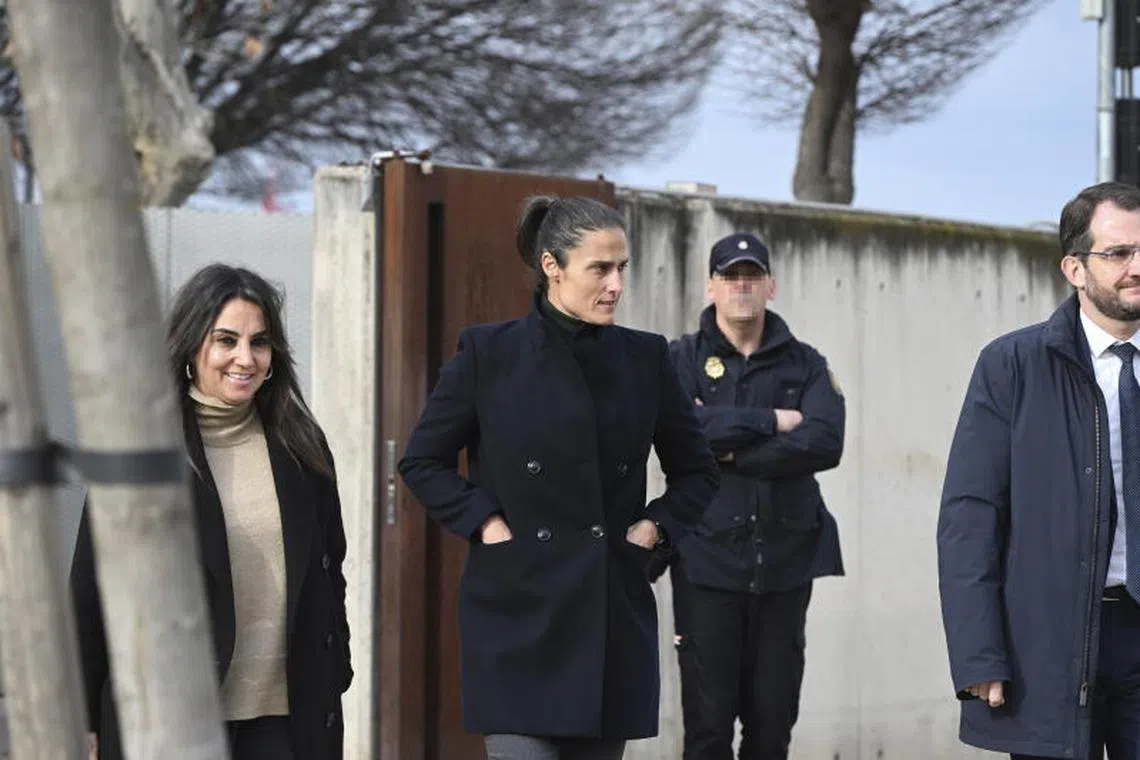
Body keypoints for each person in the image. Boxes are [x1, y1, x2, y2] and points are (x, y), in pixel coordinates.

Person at [397, 195, 719, 760]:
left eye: (622, 267)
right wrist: (488, 525)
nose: (616, 284)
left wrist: (654, 529)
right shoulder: (488, 353)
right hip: (518, 614)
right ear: (552, 266)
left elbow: (696, 471)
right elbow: (423, 460)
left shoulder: (645, 358)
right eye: (600, 268)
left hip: (608, 616)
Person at [70, 264, 352, 760]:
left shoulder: (302, 445)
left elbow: (331, 567)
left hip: (286, 721)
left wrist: (336, 667)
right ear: (191, 345)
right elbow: (92, 591)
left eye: (259, 342)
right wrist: (83, 717)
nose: (245, 358)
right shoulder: (142, 451)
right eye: (226, 340)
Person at [938, 181, 1140, 760]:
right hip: (1047, 643)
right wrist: (980, 654)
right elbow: (970, 517)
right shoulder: (1012, 366)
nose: (1135, 266)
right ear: (1074, 269)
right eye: (1117, 253)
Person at [665, 232, 845, 760]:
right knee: (708, 730)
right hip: (706, 565)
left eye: (751, 276)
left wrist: (728, 451)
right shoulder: (681, 359)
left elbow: (824, 442)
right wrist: (770, 421)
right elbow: (679, 434)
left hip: (785, 567)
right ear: (710, 286)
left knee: (771, 730)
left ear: (771, 286)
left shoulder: (806, 364)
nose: (741, 286)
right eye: (729, 276)